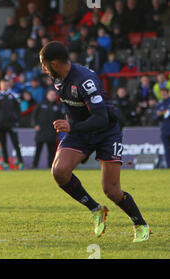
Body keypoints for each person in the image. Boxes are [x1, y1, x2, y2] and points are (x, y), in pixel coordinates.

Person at [39, 41, 150, 242]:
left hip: (106, 132)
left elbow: (101, 118)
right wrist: (71, 125)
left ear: (54, 63)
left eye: (44, 64)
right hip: (80, 132)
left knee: (112, 190)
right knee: (59, 171)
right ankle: (95, 209)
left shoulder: (84, 80)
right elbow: (73, 106)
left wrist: (71, 127)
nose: (43, 69)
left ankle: (140, 224)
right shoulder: (58, 80)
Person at [0, 79, 23, 170]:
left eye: (6, 85)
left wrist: (16, 119)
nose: (5, 86)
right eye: (3, 85)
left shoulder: (14, 96)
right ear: (0, 86)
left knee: (15, 143)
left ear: (9, 85)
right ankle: (6, 163)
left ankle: (20, 162)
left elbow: (18, 109)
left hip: (12, 123)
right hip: (1, 124)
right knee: (3, 144)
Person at [32, 89, 64, 168]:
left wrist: (59, 128)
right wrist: (35, 125)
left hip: (52, 132)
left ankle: (50, 166)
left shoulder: (57, 106)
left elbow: (61, 118)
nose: (52, 96)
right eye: (51, 95)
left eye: (54, 95)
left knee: (51, 151)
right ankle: (34, 165)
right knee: (38, 150)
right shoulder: (41, 104)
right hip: (41, 131)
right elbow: (33, 116)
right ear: (47, 95)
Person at [154, 88, 170, 168]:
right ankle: (169, 166)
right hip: (164, 131)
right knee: (167, 150)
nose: (163, 95)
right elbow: (155, 117)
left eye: (164, 93)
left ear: (168, 93)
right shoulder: (159, 105)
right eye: (162, 94)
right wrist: (158, 115)